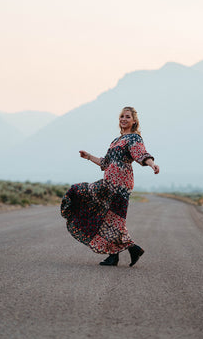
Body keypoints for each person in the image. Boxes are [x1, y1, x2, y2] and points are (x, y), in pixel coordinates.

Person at [61, 106, 159, 267]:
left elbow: (141, 154)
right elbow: (105, 163)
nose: (123, 119)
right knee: (104, 213)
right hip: (108, 183)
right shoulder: (115, 141)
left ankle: (116, 255)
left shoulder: (134, 139)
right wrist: (88, 157)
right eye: (122, 116)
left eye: (127, 117)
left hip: (121, 185)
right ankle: (131, 249)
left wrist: (152, 164)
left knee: (113, 219)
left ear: (134, 121)